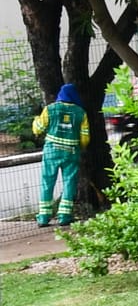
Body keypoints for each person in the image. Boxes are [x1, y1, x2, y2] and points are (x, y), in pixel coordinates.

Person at [32, 83, 89, 228]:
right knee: (69, 183)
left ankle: (43, 217)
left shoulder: (50, 109)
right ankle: (64, 216)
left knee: (47, 182)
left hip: (51, 151)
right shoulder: (81, 112)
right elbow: (85, 138)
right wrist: (80, 147)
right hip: (71, 152)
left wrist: (36, 120)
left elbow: (38, 130)